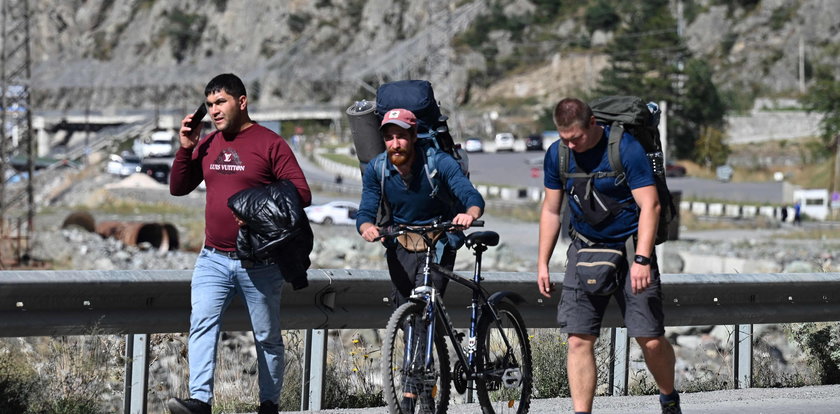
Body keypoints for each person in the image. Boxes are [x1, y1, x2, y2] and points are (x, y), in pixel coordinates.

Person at [167, 73, 311, 414]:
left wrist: (258, 209)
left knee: (266, 338)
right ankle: (200, 401)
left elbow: (301, 192)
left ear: (241, 102)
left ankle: (269, 404)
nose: (214, 110)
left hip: (260, 262)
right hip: (212, 258)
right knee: (202, 323)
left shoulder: (269, 143)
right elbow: (178, 187)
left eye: (221, 102)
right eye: (209, 104)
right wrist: (186, 147)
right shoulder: (209, 144)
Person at [536, 98, 681, 414]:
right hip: (583, 250)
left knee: (650, 339)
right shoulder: (557, 154)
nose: (571, 145)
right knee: (578, 340)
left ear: (592, 124)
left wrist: (642, 259)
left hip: (629, 252)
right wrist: (542, 263)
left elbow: (651, 206)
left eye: (576, 138)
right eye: (564, 139)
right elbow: (550, 210)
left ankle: (669, 398)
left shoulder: (625, 148)